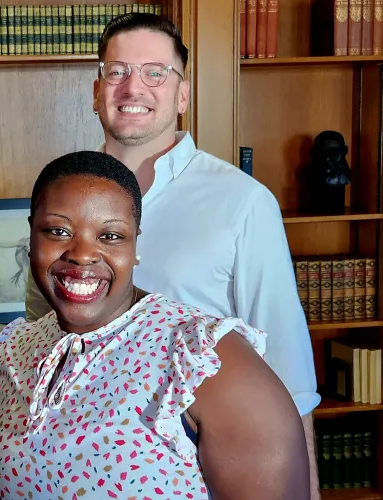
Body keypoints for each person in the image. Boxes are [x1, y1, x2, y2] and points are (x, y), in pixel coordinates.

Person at [24, 12, 321, 495]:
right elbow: (44, 333)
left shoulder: (242, 201)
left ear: (182, 95)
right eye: (116, 71)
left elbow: (288, 370)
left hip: (202, 461)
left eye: (154, 72)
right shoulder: (63, 198)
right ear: (96, 91)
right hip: (78, 458)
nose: (132, 87)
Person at [0, 151, 309, 499]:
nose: (82, 254)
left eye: (110, 236)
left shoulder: (204, 358)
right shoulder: (11, 353)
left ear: (136, 242)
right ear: (32, 235)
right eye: (58, 231)